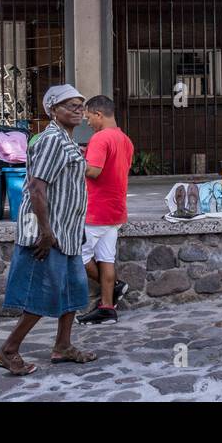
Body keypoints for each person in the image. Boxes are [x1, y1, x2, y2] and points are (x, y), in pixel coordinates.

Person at [0, 85, 97, 375]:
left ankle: (63, 346)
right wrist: (46, 231)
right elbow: (37, 189)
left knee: (73, 291)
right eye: (69, 105)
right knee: (41, 294)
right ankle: (8, 350)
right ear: (52, 110)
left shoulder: (66, 141)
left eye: (80, 105)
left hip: (68, 232)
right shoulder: (51, 140)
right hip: (47, 233)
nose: (77, 109)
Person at [77, 95, 134, 325]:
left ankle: (112, 292)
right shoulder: (125, 139)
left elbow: (94, 171)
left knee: (77, 256)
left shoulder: (100, 138)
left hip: (95, 210)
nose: (87, 122)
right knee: (106, 258)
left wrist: (73, 161)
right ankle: (107, 307)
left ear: (98, 114)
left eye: (88, 117)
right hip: (115, 210)